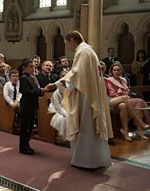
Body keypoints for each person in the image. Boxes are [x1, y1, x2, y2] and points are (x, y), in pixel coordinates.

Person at [50, 30, 113, 169]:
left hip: (85, 97)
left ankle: (85, 161)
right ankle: (97, 159)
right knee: (91, 127)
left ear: (73, 41)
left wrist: (57, 83)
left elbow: (76, 75)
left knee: (85, 126)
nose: (68, 48)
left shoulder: (82, 52)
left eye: (68, 44)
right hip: (91, 94)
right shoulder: (89, 51)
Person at [105, 62, 150, 140]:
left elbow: (127, 92)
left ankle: (137, 130)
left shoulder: (123, 80)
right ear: (112, 71)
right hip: (113, 100)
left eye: (118, 70)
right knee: (125, 99)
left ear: (121, 71)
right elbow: (112, 94)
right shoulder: (109, 80)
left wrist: (124, 94)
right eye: (114, 70)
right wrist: (122, 95)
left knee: (140, 101)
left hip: (123, 100)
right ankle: (139, 122)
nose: (116, 72)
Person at [18, 59, 50, 155]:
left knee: (30, 126)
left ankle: (27, 145)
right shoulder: (24, 78)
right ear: (24, 68)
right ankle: (23, 147)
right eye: (31, 67)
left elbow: (36, 90)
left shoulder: (33, 77)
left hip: (32, 105)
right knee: (25, 127)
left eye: (34, 67)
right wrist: (41, 90)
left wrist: (41, 91)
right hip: (26, 105)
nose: (33, 68)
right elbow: (26, 92)